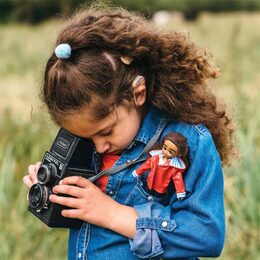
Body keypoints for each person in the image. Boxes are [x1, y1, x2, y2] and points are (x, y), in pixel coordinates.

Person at [23, 6, 236, 260]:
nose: (99, 147)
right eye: (87, 137)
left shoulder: (187, 142)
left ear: (138, 93)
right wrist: (55, 191)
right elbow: (87, 222)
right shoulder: (90, 139)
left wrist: (113, 214)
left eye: (106, 132)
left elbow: (206, 235)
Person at [132, 132, 189, 200]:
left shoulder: (174, 167)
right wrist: (137, 172)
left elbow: (178, 180)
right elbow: (145, 166)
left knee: (156, 199)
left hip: (161, 188)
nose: (165, 152)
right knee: (144, 194)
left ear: (179, 154)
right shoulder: (155, 158)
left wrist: (180, 192)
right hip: (149, 182)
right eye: (164, 148)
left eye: (171, 152)